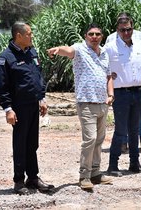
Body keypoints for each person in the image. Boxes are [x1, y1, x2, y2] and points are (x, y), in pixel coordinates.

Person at [47, 23, 115, 190]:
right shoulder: (79, 49)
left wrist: (111, 95)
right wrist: (57, 49)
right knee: (90, 139)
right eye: (91, 34)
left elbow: (108, 76)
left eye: (97, 34)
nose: (94, 37)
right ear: (86, 36)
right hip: (86, 103)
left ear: (102, 36)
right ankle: (84, 175)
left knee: (99, 139)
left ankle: (95, 173)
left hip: (102, 103)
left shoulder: (105, 52)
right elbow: (68, 51)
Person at [0, 22, 54, 195]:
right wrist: (8, 109)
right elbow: (2, 87)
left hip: (34, 104)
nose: (31, 36)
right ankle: (19, 181)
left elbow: (38, 78)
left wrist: (41, 98)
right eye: (28, 34)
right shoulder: (6, 57)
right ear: (18, 36)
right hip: (18, 107)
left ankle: (33, 178)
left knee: (32, 144)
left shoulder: (32, 53)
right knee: (20, 144)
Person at [104, 12, 141, 176]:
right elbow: (103, 66)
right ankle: (113, 166)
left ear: (133, 28)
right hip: (121, 93)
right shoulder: (110, 47)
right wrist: (110, 77)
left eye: (129, 29)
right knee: (120, 130)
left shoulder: (139, 44)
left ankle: (134, 163)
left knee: (134, 129)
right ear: (117, 30)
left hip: (138, 91)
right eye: (122, 30)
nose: (126, 33)